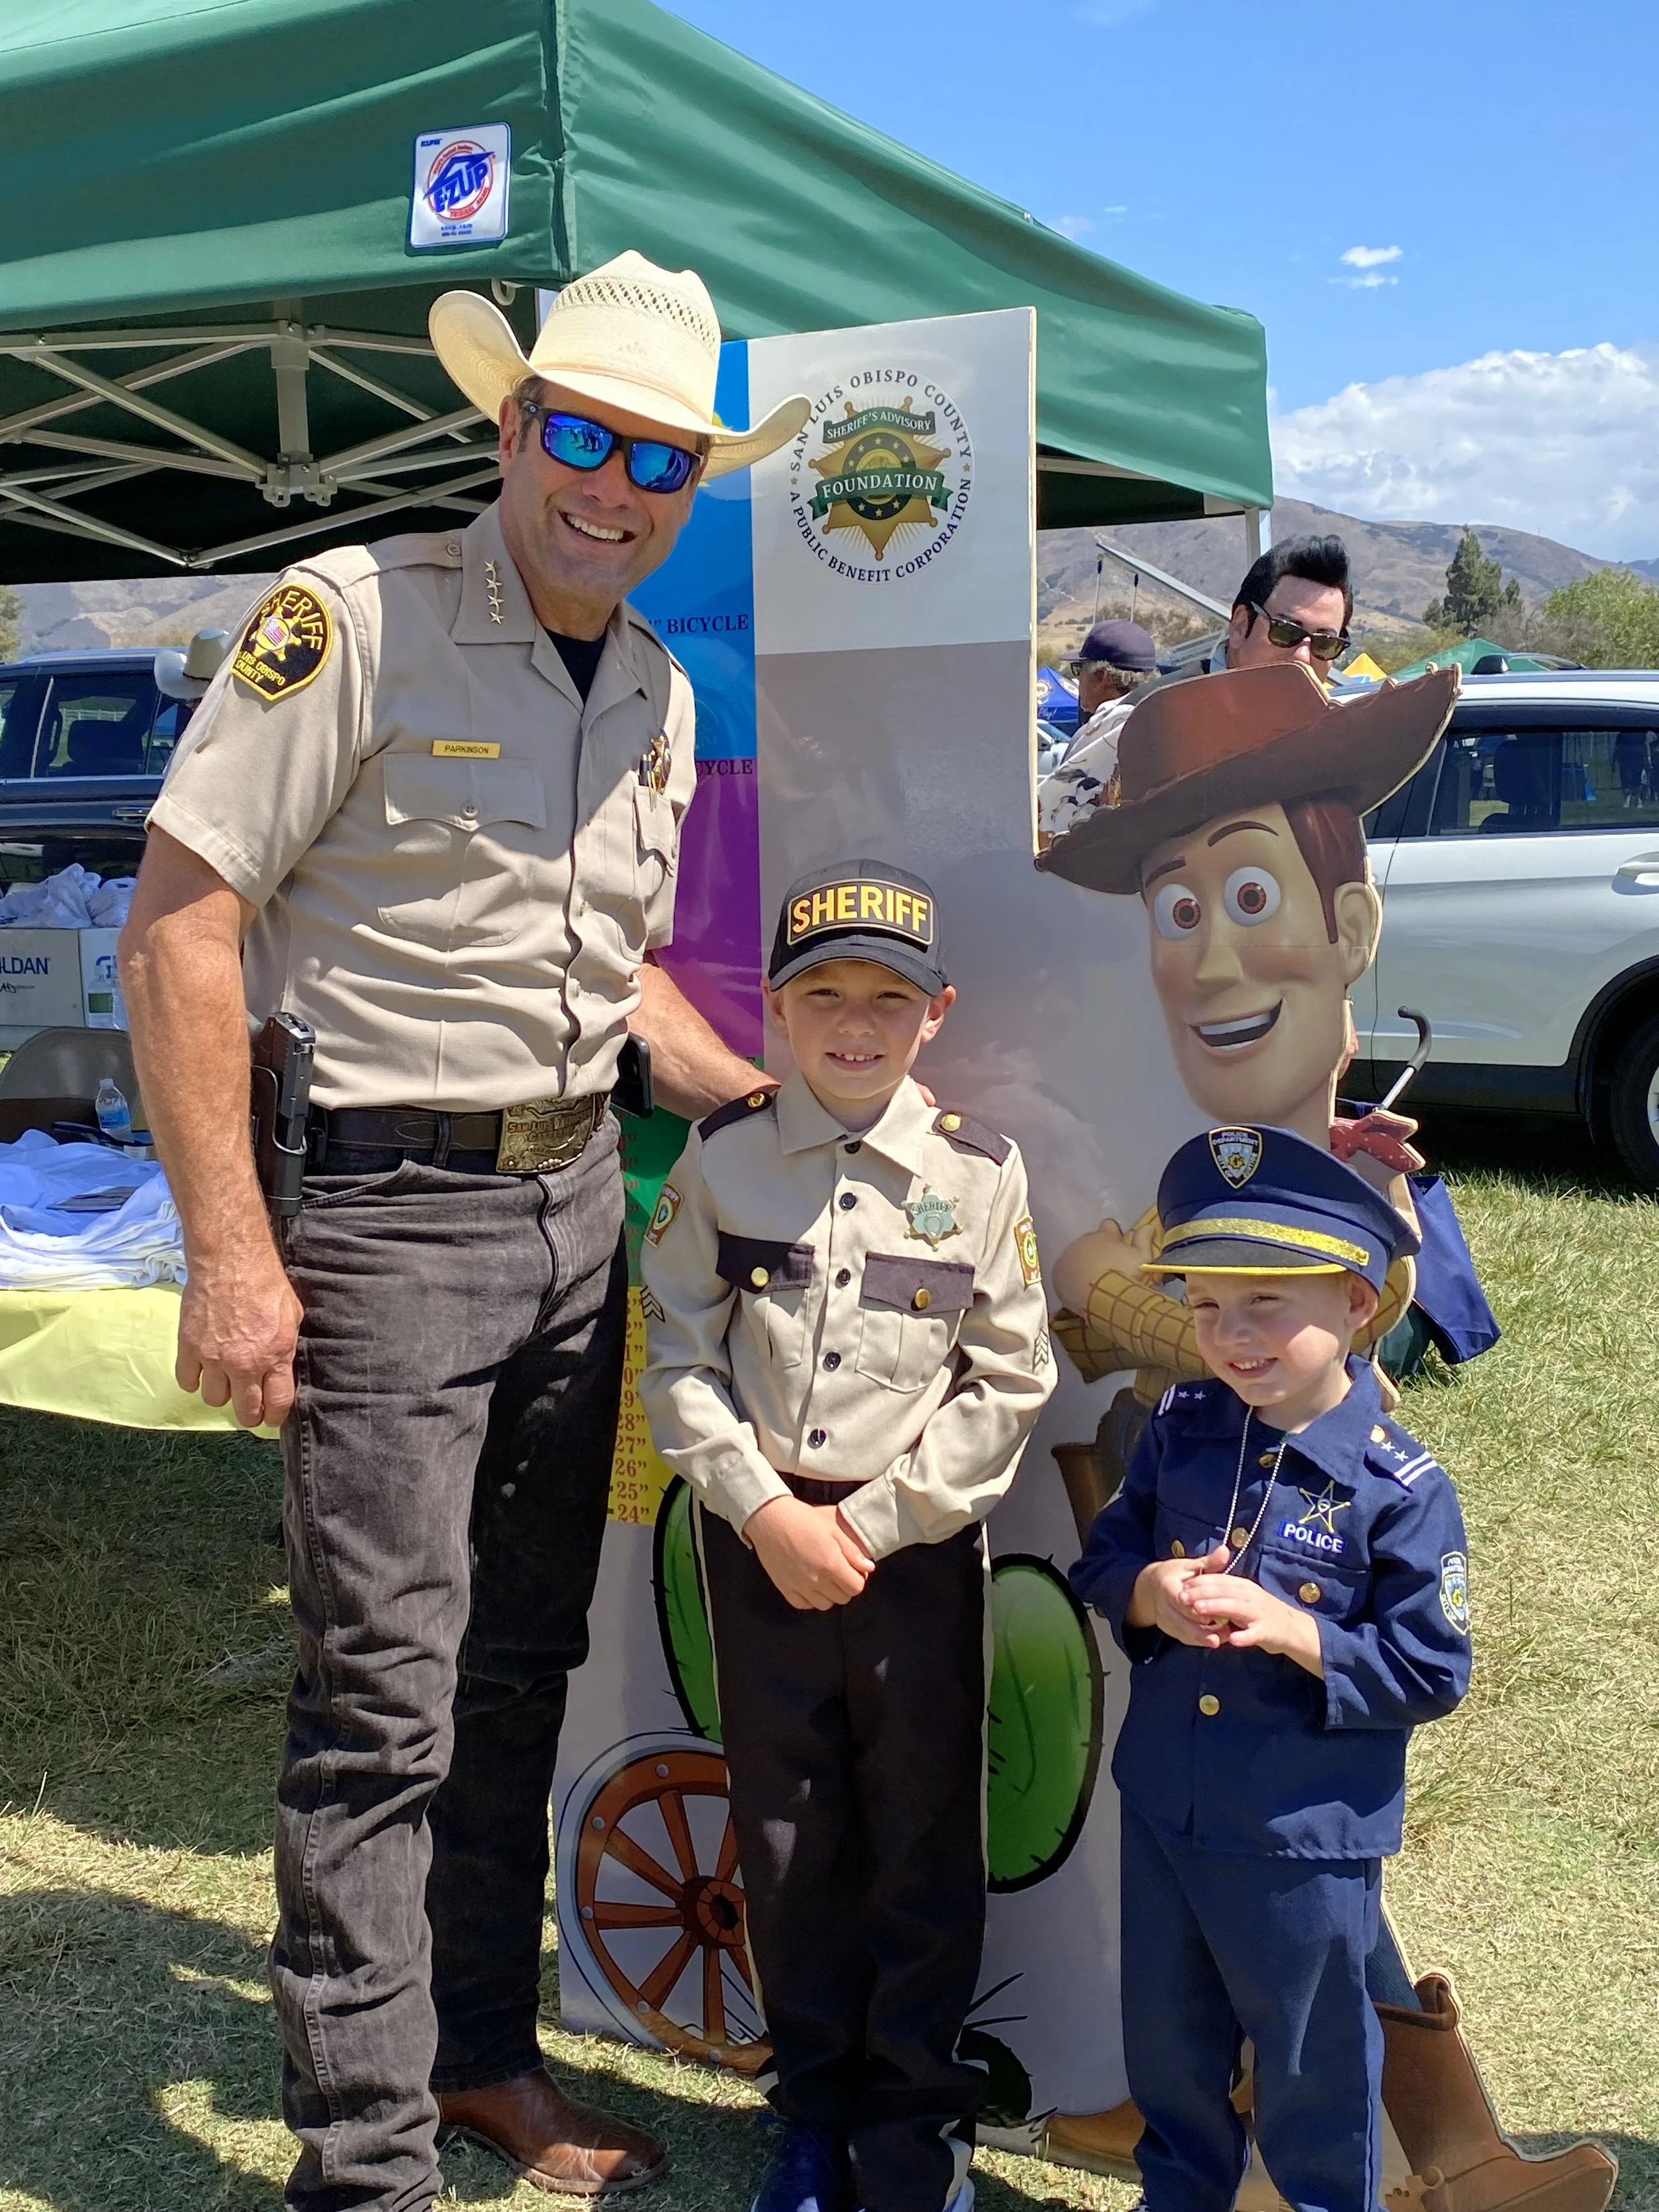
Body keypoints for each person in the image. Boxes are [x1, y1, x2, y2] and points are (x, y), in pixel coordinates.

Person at [119, 253, 810, 2212]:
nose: (611, 483)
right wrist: (230, 1251)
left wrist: (770, 1104)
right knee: (382, 1702)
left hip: (577, 1203)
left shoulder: (660, 686)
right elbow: (178, 923)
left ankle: (476, 2055)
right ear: (509, 428)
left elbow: (610, 996)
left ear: (688, 485)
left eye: (656, 458)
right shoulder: (349, 619)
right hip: (386, 1215)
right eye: (577, 434)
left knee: (518, 1668)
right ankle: (360, 2167)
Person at [638, 861, 1054, 2212]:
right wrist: (763, 1509)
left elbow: (1010, 1382)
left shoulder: (978, 1177)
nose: (854, 1023)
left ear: (935, 1011)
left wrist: (861, 1528)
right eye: (823, 994)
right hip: (758, 1544)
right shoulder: (726, 1158)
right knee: (786, 1836)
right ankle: (813, 2111)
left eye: (887, 996)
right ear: (773, 1008)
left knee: (921, 1832)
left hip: (910, 1556)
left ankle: (912, 2124)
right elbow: (677, 1354)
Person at [1070, 1124, 1471, 2212]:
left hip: (1302, 1836)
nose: (1232, 1336)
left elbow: (1434, 1667)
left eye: (1267, 1304)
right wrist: (1149, 1591)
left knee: (1312, 2070)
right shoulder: (1184, 1426)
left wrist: (1297, 1633)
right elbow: (1107, 1554)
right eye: (1206, 1306)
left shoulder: (1401, 1486)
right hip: (1166, 1805)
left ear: (1356, 1304)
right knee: (1168, 2052)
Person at [1038, 619, 1158, 848]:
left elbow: (1051, 824)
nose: (1078, 678)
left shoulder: (1097, 731)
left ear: (1102, 676)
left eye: (1079, 669)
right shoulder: (1161, 718)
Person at [1214, 534, 1353, 676]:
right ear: (1240, 626)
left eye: (1325, 643)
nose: (1303, 657)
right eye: (1287, 632)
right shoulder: (1191, 696)